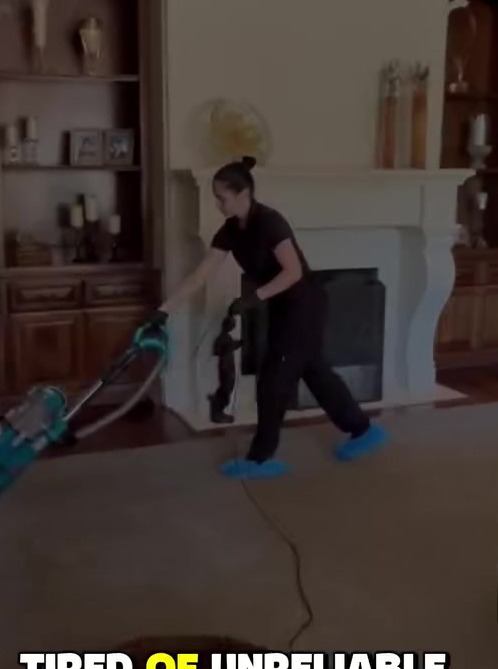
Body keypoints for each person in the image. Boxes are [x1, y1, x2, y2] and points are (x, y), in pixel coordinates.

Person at [146, 156, 389, 480]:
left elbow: (293, 272)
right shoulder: (230, 231)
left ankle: (261, 458)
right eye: (216, 198)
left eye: (222, 198)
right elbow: (200, 275)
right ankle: (363, 431)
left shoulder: (270, 222)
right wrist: (164, 311)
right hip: (283, 305)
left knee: (274, 379)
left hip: (304, 303)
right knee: (316, 372)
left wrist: (254, 298)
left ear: (243, 193)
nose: (218, 204)